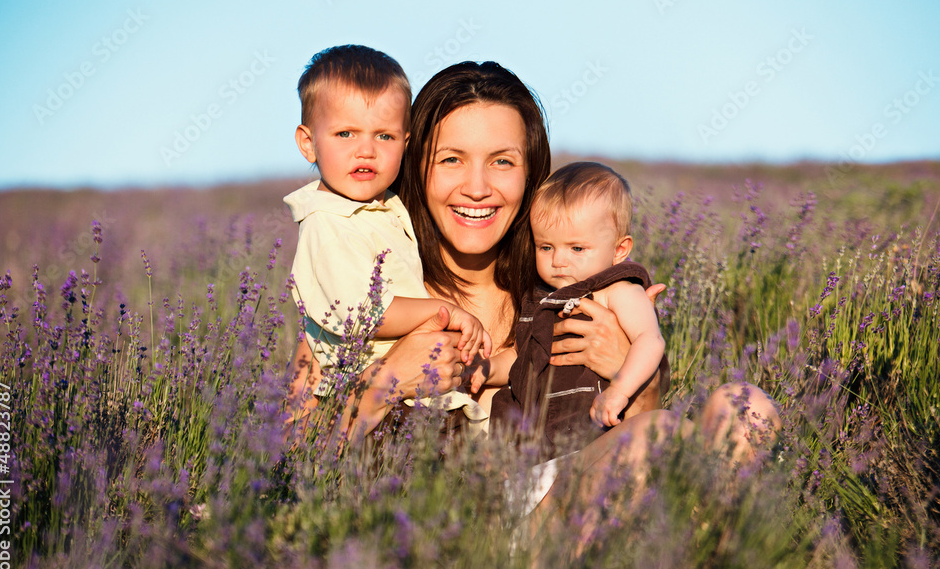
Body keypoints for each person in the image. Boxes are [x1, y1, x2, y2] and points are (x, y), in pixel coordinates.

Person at [285, 60, 780, 471]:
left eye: (502, 161)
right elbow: (296, 468)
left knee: (746, 408)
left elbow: (639, 428)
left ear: (531, 174)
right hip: (466, 547)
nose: (477, 187)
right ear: (415, 165)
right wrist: (386, 378)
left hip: (576, 505)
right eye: (451, 159)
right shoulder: (364, 303)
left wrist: (632, 371)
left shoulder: (569, 291)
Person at [283, 45, 491, 424]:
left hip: (411, 397)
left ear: (405, 144)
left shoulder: (381, 210)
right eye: (345, 133)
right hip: (370, 407)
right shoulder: (329, 225)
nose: (366, 150)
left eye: (384, 136)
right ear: (308, 143)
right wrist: (446, 313)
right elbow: (363, 315)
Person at [484, 161, 669, 460]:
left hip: (594, 437)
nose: (558, 261)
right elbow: (523, 357)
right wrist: (485, 369)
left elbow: (650, 341)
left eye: (577, 249)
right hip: (536, 447)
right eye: (546, 247)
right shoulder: (540, 299)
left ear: (619, 250)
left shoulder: (617, 289)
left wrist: (619, 392)